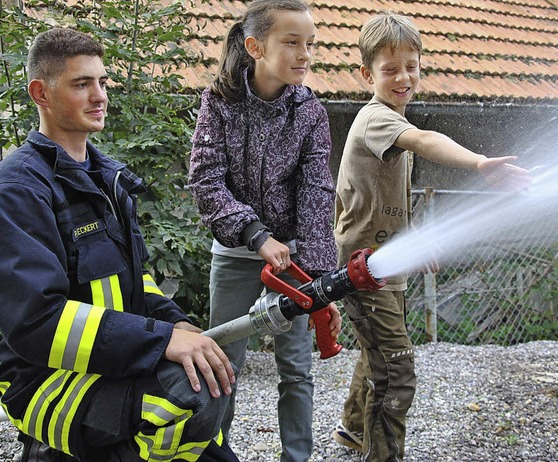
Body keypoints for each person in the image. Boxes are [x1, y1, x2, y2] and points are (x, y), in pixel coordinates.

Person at [0, 27, 240, 462]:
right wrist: (159, 340)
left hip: (112, 360)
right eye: (81, 84)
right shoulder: (17, 188)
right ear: (41, 93)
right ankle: (52, 449)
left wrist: (176, 324)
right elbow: (36, 322)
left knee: (212, 379)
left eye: (103, 82)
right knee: (190, 397)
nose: (100, 96)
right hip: (45, 380)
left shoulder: (106, 178)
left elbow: (136, 284)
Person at [331, 11, 531, 462]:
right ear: (367, 74)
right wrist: (480, 164)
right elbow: (423, 140)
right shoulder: (376, 120)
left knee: (377, 353)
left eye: (411, 67)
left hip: (385, 263)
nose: (403, 77)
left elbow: (392, 197)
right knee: (396, 367)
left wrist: (416, 240)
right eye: (390, 69)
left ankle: (352, 431)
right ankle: (382, 455)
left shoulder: (391, 122)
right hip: (363, 269)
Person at [188, 1, 341, 461]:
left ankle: (296, 458)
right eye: (292, 42)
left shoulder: (309, 111)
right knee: (223, 367)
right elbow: (205, 180)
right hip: (235, 256)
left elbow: (317, 194)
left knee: (296, 370)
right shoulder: (219, 103)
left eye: (309, 44)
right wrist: (256, 235)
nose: (305, 54)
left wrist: (320, 285)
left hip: (292, 262)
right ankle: (217, 454)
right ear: (255, 46)